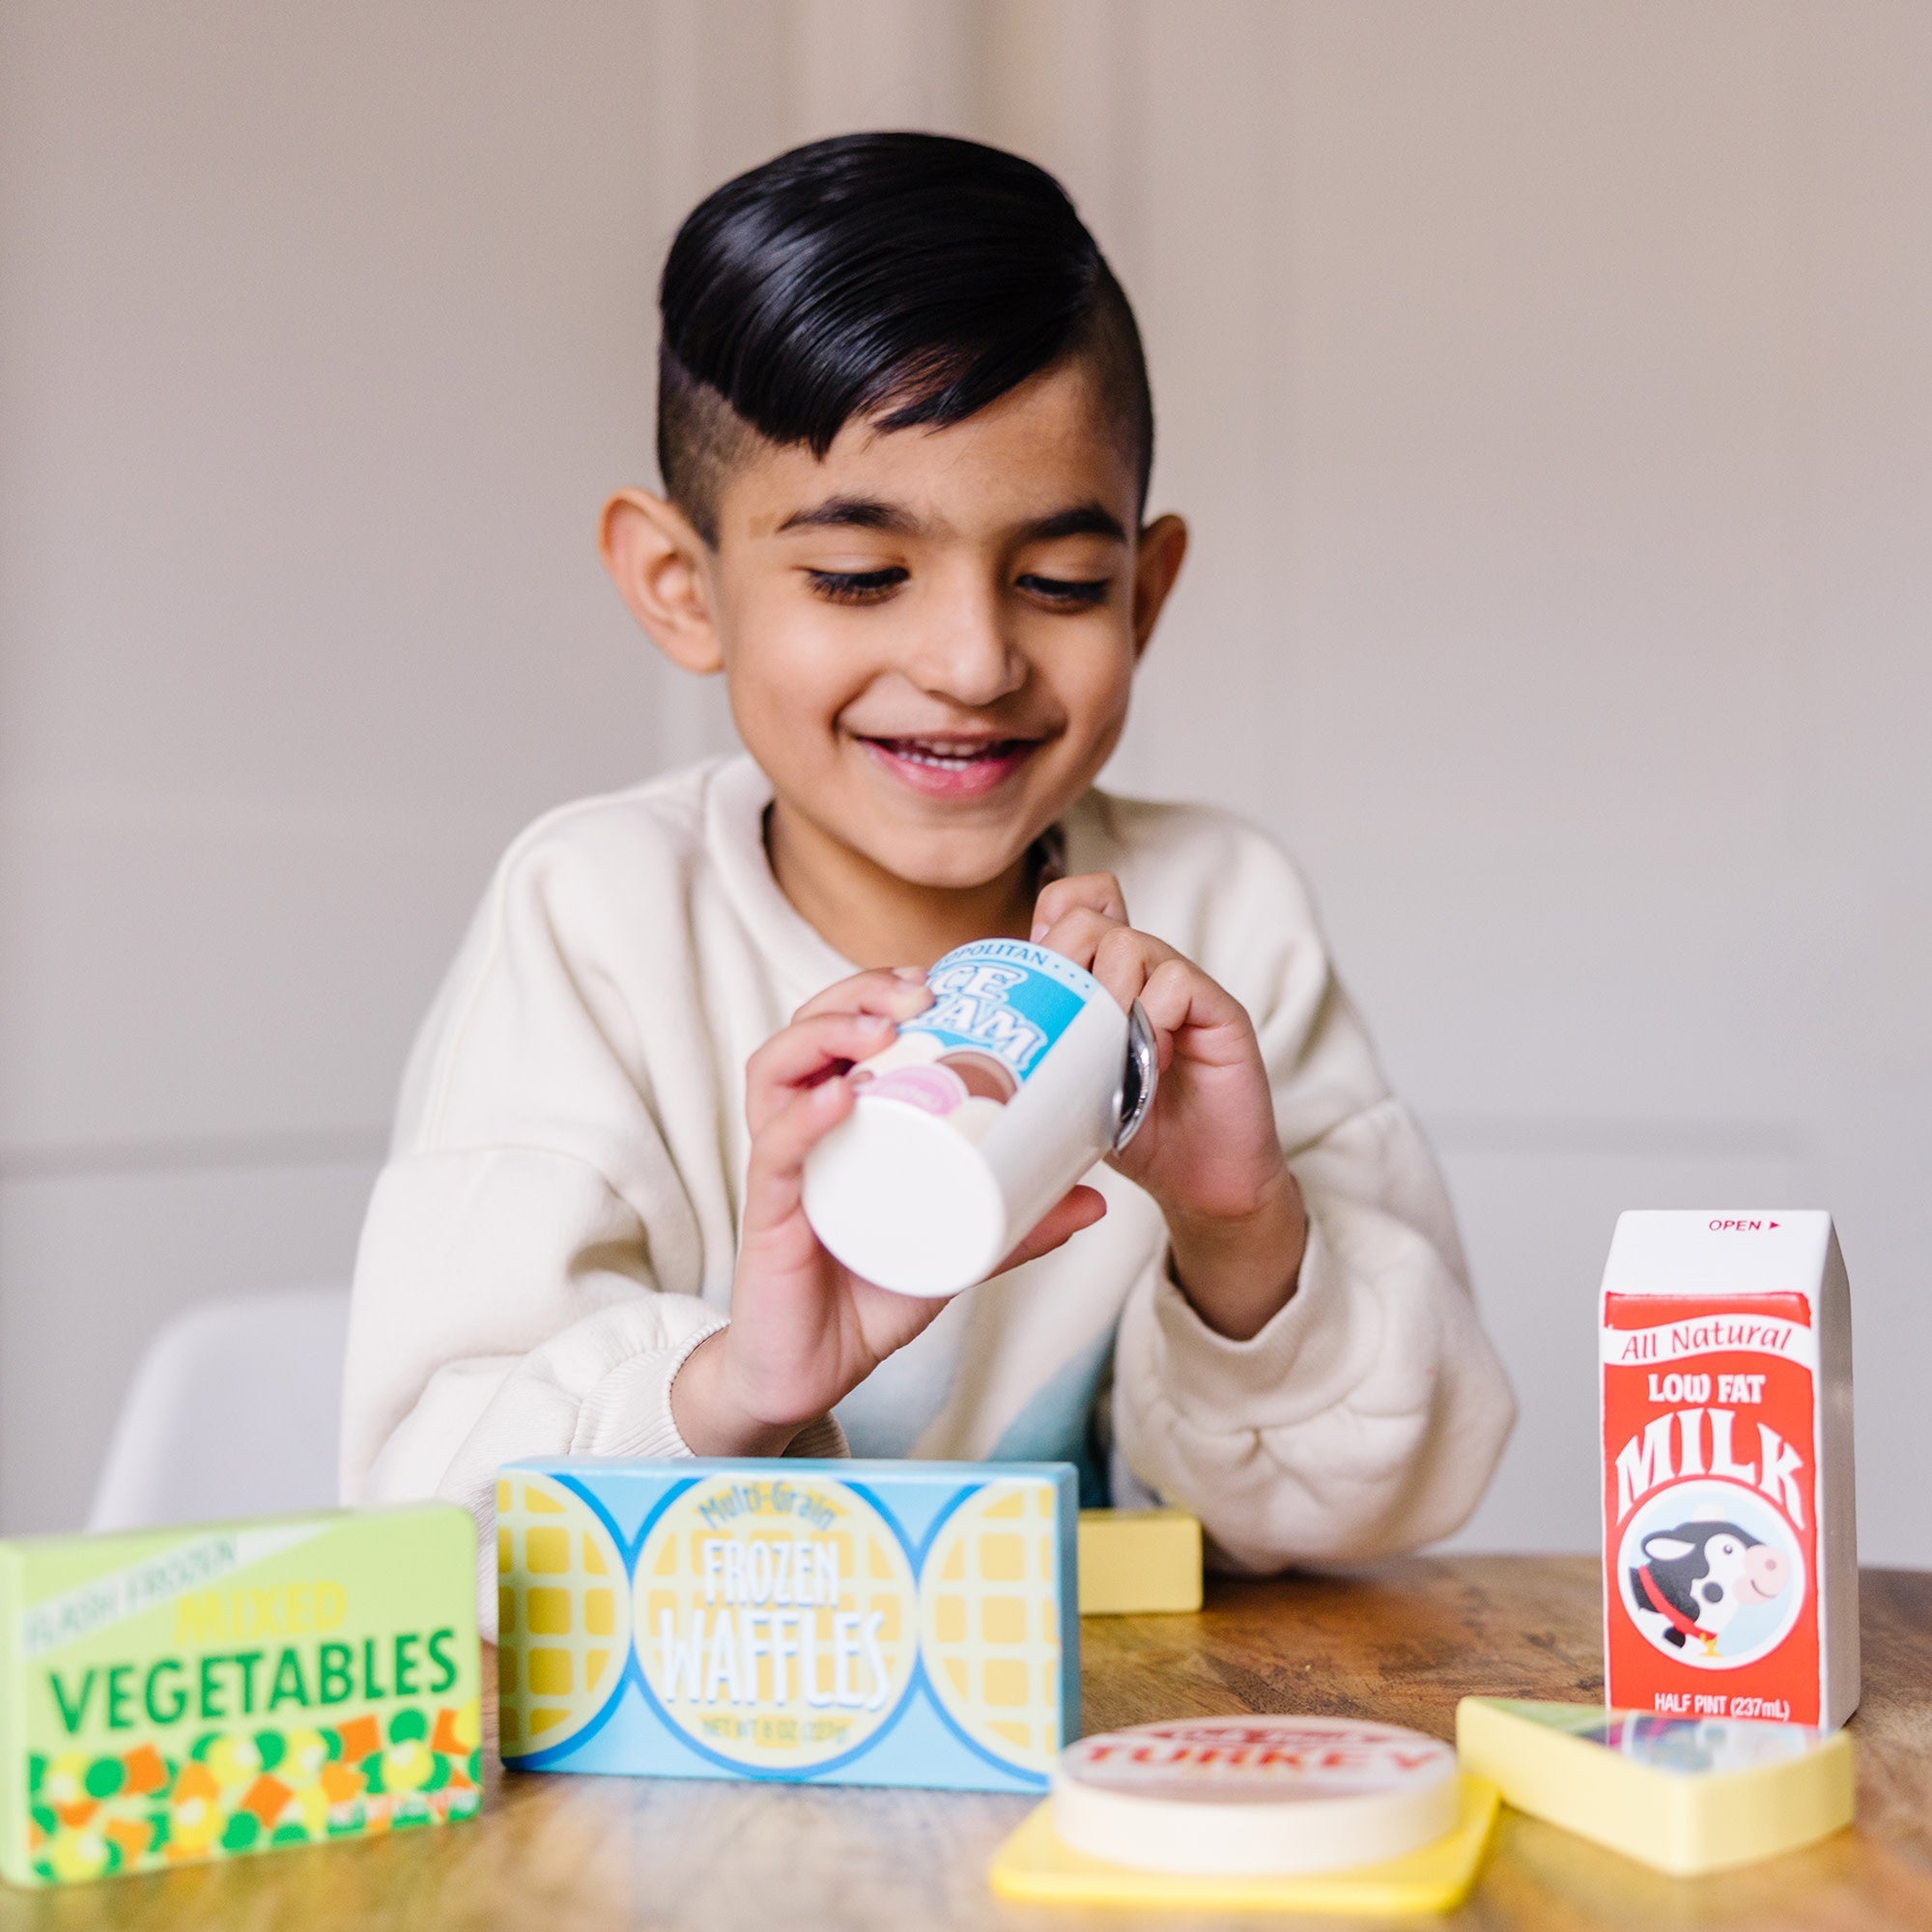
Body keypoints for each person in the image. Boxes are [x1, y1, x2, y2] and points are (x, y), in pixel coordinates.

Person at [340, 132, 1514, 1629]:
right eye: (857, 577)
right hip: (721, 1803)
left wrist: (1240, 1234)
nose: (972, 664)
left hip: (1122, 1763)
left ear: (1145, 594)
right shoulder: (599, 918)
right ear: (680, 586)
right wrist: (737, 1388)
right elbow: (432, 1528)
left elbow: (1386, 1499)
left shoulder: (1220, 913)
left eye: (1062, 583)